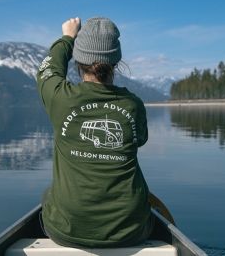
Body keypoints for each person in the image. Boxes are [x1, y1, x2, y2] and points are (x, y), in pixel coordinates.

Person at [36, 16, 153, 248]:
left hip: (66, 231)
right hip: (129, 230)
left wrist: (68, 37)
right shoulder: (133, 104)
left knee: (47, 196)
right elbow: (140, 140)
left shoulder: (61, 99)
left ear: (78, 61)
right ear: (116, 61)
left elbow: (46, 70)